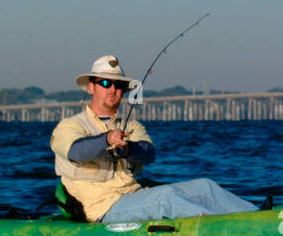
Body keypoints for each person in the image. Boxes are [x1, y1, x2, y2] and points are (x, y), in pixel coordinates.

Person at [51, 55, 270, 223]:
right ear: (91, 87)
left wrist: (128, 149)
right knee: (165, 197)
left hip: (132, 196)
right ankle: (231, 227)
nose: (114, 89)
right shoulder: (71, 125)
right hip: (101, 209)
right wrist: (107, 139)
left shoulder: (131, 126)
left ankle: (261, 216)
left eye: (119, 85)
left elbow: (149, 153)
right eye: (106, 83)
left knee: (205, 186)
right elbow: (74, 152)